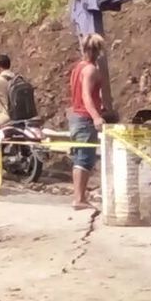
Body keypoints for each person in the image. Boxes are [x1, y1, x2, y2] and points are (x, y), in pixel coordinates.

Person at [68, 34, 108, 210]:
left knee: (80, 157)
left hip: (76, 116)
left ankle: (79, 197)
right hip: (85, 118)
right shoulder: (91, 70)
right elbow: (86, 95)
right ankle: (79, 199)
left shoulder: (78, 68)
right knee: (84, 158)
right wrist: (96, 116)